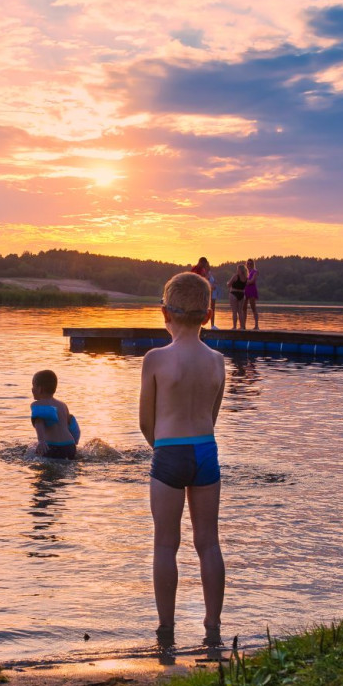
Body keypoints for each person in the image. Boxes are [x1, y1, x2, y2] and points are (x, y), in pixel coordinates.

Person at [139, 272, 227, 646]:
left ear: (164, 313)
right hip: (206, 451)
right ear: (208, 315)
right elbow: (214, 415)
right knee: (208, 542)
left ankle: (167, 628)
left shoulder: (156, 359)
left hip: (169, 452)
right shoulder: (219, 361)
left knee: (165, 544)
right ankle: (213, 626)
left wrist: (161, 447)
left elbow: (146, 421)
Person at [30, 370, 77, 460]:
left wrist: (41, 441)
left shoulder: (37, 404)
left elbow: (39, 422)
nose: (32, 389)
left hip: (53, 447)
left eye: (33, 386)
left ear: (40, 389)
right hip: (70, 446)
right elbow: (71, 425)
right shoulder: (63, 405)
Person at [191, 257, 220, 329]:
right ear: (201, 262)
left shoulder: (202, 270)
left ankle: (200, 325)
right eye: (204, 264)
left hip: (203, 292)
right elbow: (198, 280)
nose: (205, 266)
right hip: (198, 292)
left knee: (201, 309)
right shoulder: (195, 269)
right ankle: (196, 325)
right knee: (198, 309)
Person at [228, 264, 248, 330]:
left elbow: (229, 284)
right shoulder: (246, 278)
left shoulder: (236, 276)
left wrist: (227, 283)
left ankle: (234, 327)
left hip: (233, 293)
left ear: (239, 270)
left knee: (234, 311)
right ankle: (242, 327)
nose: (237, 270)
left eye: (238, 269)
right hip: (242, 295)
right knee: (240, 311)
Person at [245, 259, 260, 330]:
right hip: (245, 290)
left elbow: (252, 281)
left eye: (251, 264)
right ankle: (243, 325)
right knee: (243, 308)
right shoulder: (244, 272)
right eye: (248, 263)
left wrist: (245, 281)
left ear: (253, 264)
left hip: (252, 290)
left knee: (253, 307)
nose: (249, 265)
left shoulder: (255, 272)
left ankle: (256, 325)